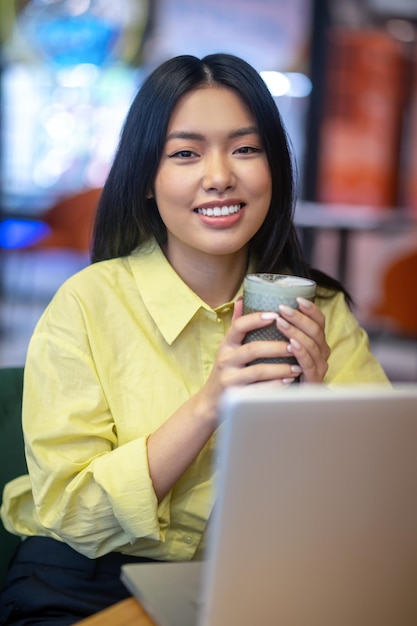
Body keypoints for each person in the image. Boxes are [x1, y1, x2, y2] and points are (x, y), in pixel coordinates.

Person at [0, 53, 388, 624]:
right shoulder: (87, 305)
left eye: (245, 148)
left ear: (273, 169)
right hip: (89, 579)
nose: (219, 175)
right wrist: (210, 404)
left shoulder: (322, 312)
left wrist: (315, 399)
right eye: (185, 153)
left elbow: (381, 500)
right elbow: (71, 511)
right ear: (147, 181)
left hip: (260, 582)